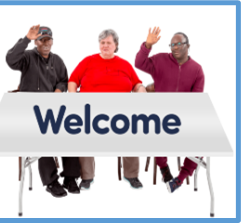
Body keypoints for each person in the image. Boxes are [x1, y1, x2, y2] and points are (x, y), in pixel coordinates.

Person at [6, 25, 81, 197]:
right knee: (42, 137)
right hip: (31, 114)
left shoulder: (57, 61)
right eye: (42, 40)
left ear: (52, 42)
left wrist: (59, 90)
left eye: (49, 40)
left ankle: (70, 178)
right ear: (36, 42)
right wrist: (26, 38)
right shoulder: (27, 58)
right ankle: (51, 182)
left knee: (72, 134)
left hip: (53, 113)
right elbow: (10, 59)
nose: (46, 43)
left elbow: (64, 80)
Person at [68, 29, 146, 190]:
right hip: (90, 113)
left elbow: (136, 83)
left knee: (132, 135)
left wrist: (141, 90)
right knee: (84, 136)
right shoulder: (88, 61)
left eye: (108, 43)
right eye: (102, 42)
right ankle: (86, 177)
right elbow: (73, 81)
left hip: (120, 115)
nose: (105, 46)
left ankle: (132, 175)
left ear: (115, 45)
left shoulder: (124, 64)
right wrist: (73, 97)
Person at [135, 27, 205, 193]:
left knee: (202, 140)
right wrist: (147, 45)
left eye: (178, 43)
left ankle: (179, 180)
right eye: (172, 44)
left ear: (188, 45)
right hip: (160, 117)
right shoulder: (160, 60)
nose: (174, 47)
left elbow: (196, 101)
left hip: (183, 119)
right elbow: (139, 63)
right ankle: (164, 170)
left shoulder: (197, 70)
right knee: (155, 131)